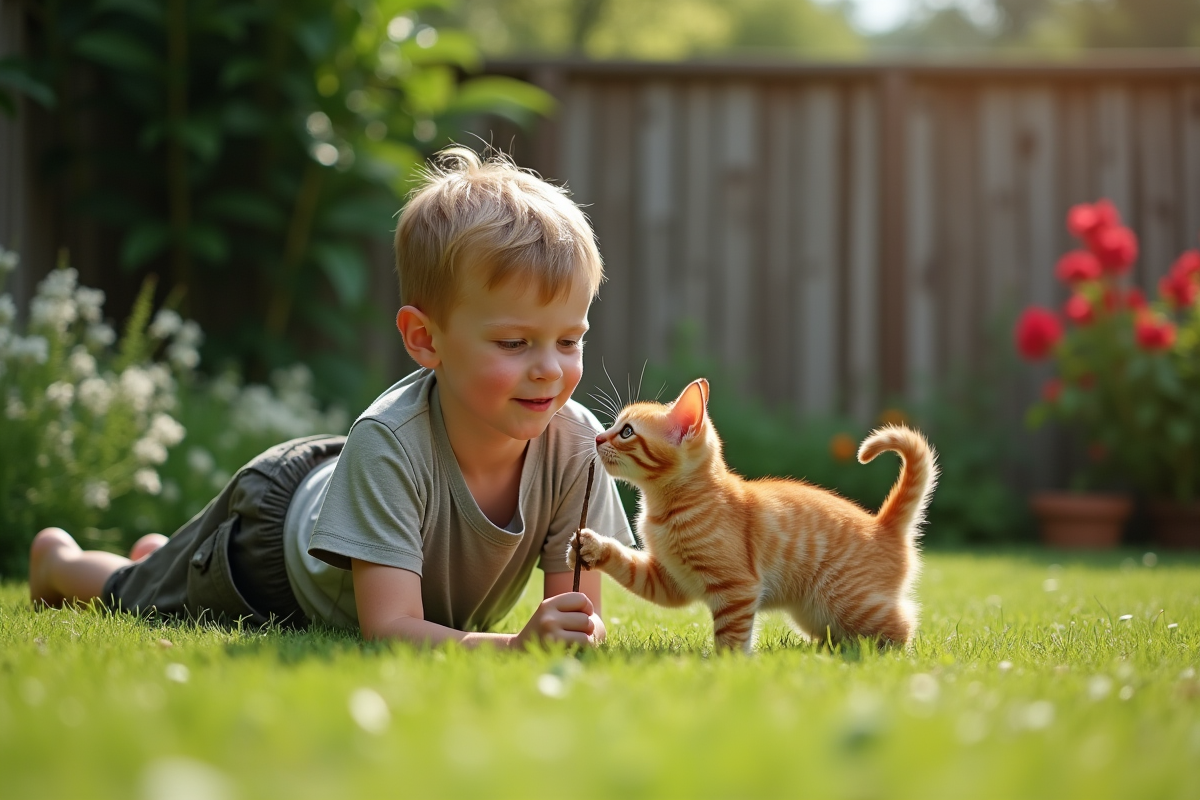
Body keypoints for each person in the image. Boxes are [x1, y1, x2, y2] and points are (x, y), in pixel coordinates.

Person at [28, 146, 635, 650]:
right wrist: (510, 649)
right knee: (138, 597)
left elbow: (577, 617)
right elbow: (390, 626)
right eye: (513, 342)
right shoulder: (393, 442)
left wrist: (573, 634)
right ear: (425, 340)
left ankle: (167, 556)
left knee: (169, 572)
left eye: (569, 340)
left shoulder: (578, 445)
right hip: (271, 545)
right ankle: (61, 561)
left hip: (340, 490)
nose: (549, 370)